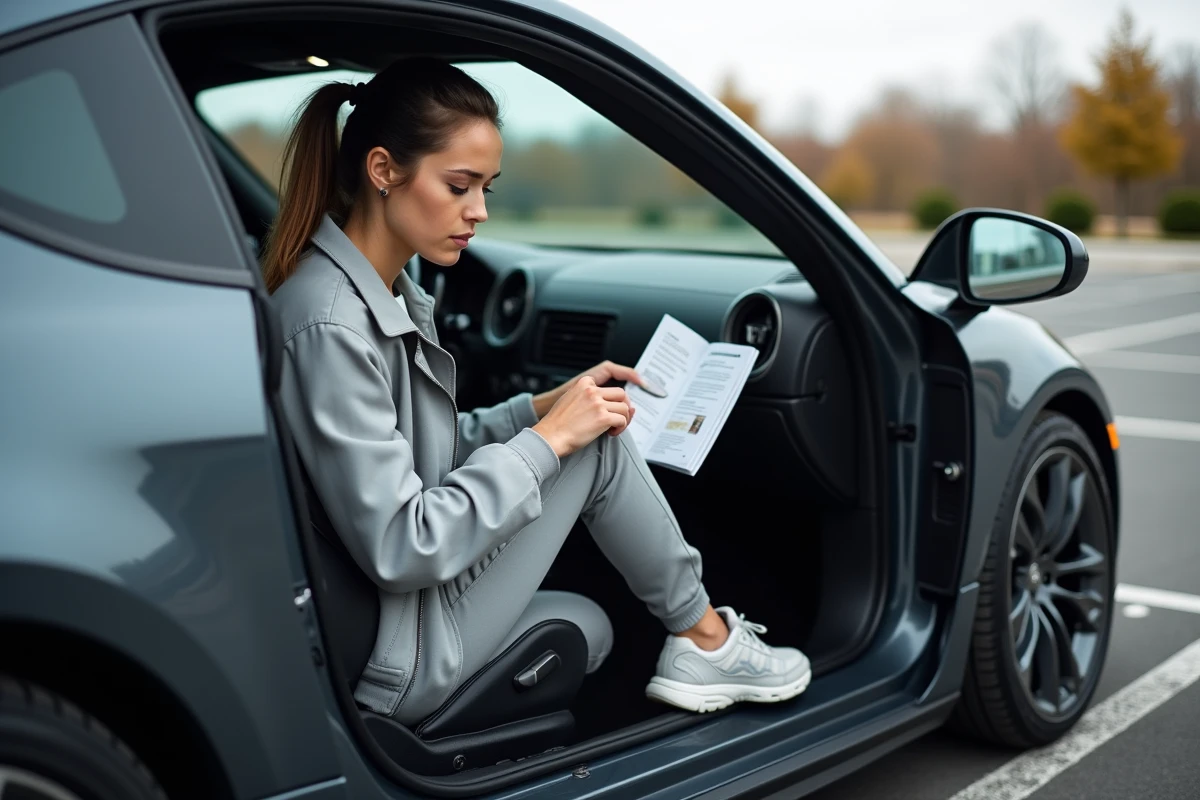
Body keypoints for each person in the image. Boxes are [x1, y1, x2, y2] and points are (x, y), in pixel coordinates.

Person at [265, 58, 811, 725]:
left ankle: (701, 636)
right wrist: (553, 442)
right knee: (595, 451)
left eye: (487, 187)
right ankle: (708, 641)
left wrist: (542, 409)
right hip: (397, 647)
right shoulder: (332, 324)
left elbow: (417, 458)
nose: (480, 212)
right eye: (459, 186)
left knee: (588, 607)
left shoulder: (372, 295)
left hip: (401, 614)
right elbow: (404, 543)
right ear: (383, 171)